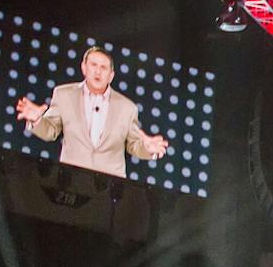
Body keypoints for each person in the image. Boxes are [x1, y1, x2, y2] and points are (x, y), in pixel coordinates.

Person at [15, 45, 169, 178]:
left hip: (109, 187)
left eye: (103, 68)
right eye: (93, 65)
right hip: (71, 180)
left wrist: (147, 149)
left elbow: (134, 144)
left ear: (111, 75)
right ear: (84, 68)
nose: (98, 72)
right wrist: (36, 120)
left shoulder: (127, 108)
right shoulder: (64, 94)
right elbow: (50, 131)